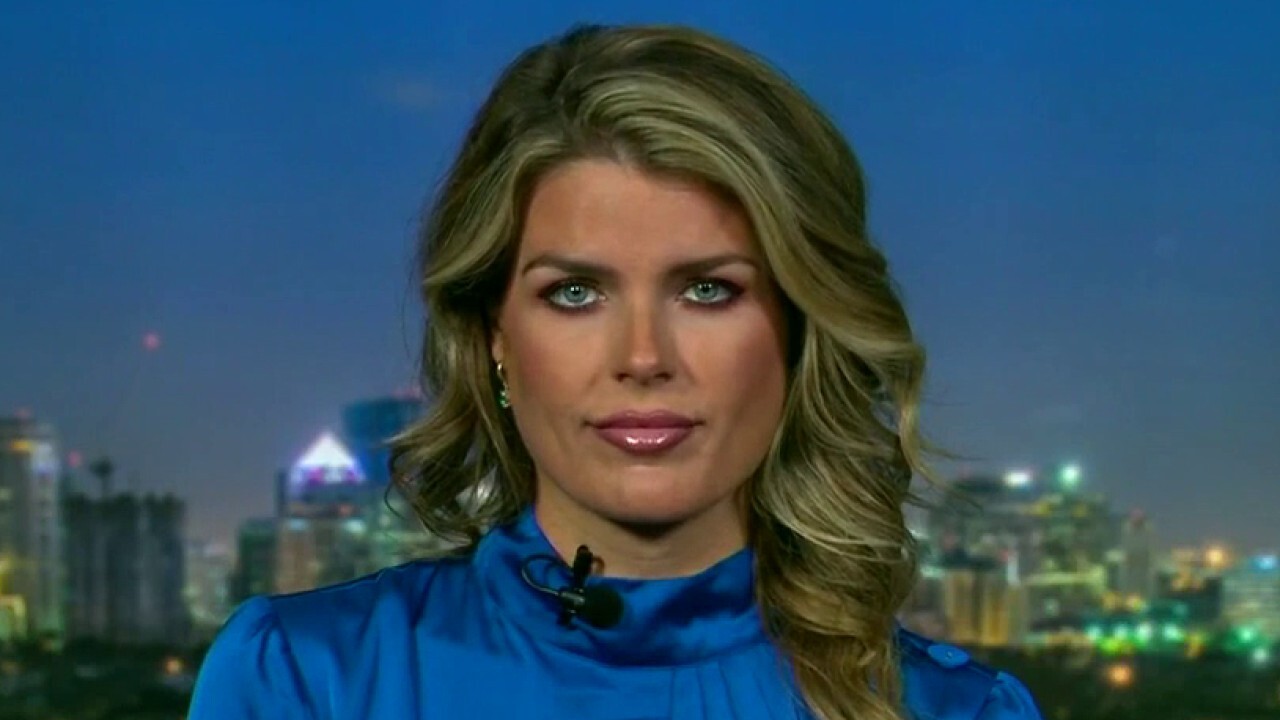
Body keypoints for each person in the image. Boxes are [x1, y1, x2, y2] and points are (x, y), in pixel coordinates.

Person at [189, 23, 1042, 720]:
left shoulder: (954, 712)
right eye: (574, 293)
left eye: (709, 290)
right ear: (495, 333)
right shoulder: (304, 681)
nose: (643, 358)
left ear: (798, 327)